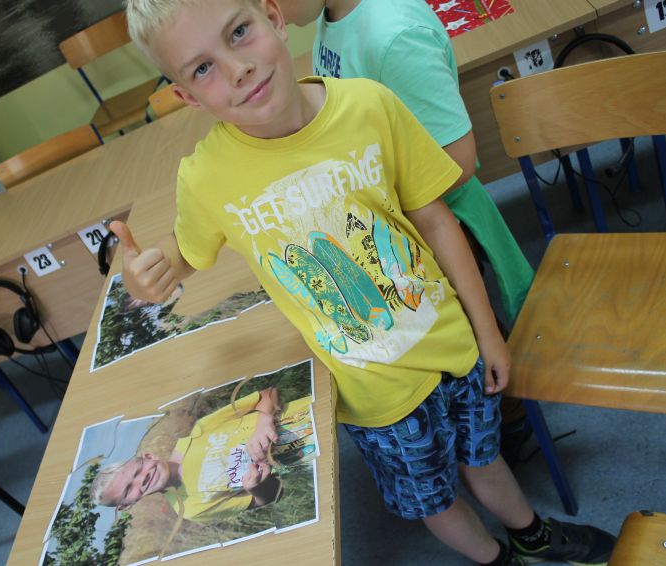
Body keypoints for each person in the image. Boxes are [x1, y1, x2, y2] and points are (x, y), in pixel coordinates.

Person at [113, 0, 615, 564]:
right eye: (202, 68)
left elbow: (436, 220)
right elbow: (183, 252)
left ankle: (531, 536)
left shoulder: (369, 105)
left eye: (239, 32)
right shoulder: (206, 177)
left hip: (452, 346)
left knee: (484, 456)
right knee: (432, 497)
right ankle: (496, 561)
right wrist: (149, 272)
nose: (237, 69)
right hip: (375, 394)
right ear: (186, 95)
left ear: (273, 17)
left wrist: (487, 333)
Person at [277, 0, 534, 325]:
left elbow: (458, 161)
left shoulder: (392, 37)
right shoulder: (334, 15)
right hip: (395, 223)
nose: (269, 10)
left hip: (433, 229)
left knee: (470, 339)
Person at [92, 387, 315, 522]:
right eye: (128, 490)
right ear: (127, 505)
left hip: (312, 411)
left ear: (149, 456)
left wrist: (262, 420)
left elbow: (269, 393)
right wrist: (257, 488)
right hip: (313, 454)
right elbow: (270, 497)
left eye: (137, 471)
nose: (142, 479)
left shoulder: (199, 431)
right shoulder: (190, 509)